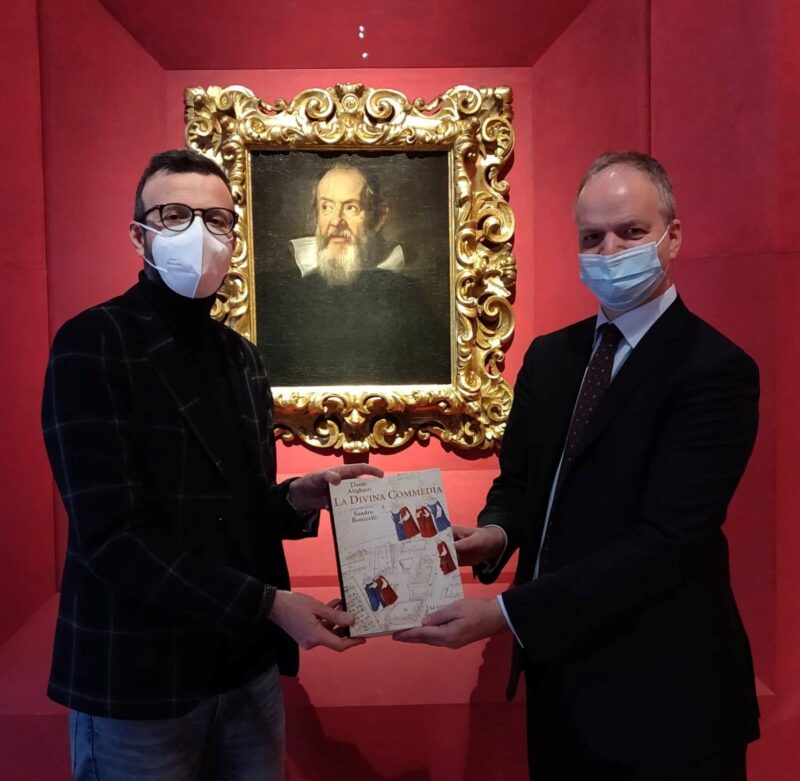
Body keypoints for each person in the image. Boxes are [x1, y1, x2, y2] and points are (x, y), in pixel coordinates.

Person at [395, 151, 760, 780]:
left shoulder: (715, 370)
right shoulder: (550, 357)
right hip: (560, 685)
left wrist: (506, 614)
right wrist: (497, 532)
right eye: (592, 237)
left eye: (631, 232)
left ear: (673, 236)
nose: (609, 251)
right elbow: (521, 482)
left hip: (666, 698)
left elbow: (667, 540)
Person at [41, 148, 381, 781]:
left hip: (243, 669)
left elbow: (233, 507)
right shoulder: (93, 343)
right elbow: (112, 536)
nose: (199, 233)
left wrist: (297, 497)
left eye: (216, 219)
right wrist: (269, 604)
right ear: (138, 234)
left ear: (234, 237)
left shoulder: (240, 356)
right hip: (142, 678)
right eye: (174, 215)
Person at [260, 162, 449, 387]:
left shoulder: (409, 296)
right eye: (326, 207)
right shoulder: (278, 293)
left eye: (351, 208)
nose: (336, 221)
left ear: (378, 217)